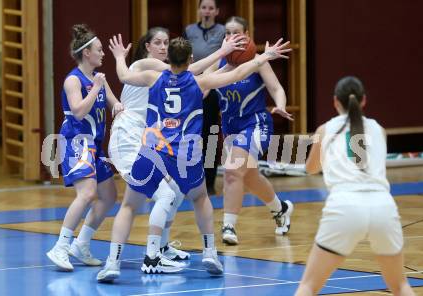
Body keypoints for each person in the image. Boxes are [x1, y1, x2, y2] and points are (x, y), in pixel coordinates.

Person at [106, 34, 290, 277]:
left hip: (153, 150)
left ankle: (113, 262)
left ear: (167, 59)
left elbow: (123, 76)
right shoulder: (199, 82)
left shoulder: (153, 77)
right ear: (190, 59)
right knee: (201, 198)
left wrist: (120, 57)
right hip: (185, 153)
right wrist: (264, 56)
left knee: (129, 205)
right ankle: (209, 253)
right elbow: (236, 74)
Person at [295, 76, 415, 296]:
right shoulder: (378, 129)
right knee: (400, 286)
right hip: (383, 206)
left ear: (335, 102)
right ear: (364, 101)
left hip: (345, 204)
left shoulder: (325, 129)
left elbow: (310, 169)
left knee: (308, 287)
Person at [206, 16, 294, 245]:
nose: (230, 38)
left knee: (233, 171)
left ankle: (228, 226)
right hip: (230, 127)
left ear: (247, 34)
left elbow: (276, 88)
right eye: (227, 33)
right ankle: (281, 208)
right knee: (249, 177)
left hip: (255, 123)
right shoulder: (218, 63)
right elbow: (201, 90)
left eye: (236, 33)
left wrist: (281, 105)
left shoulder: (258, 61)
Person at [46, 24, 123, 271]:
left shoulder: (99, 79)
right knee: (87, 193)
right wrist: (97, 88)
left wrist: (123, 110)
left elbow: (116, 104)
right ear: (86, 53)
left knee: (109, 195)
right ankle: (61, 247)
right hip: (76, 142)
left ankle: (82, 243)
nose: (103, 54)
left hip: (95, 147)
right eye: (99, 50)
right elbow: (78, 111)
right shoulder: (73, 80)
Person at [184, 0, 225, 195]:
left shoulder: (223, 31)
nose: (207, 11)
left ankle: (209, 182)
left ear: (216, 11)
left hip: (213, 88)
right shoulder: (189, 30)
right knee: (191, 134)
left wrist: (210, 82)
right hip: (192, 87)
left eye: (211, 8)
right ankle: (190, 179)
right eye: (204, 7)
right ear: (199, 10)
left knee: (210, 135)